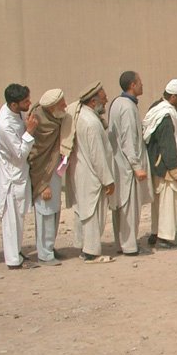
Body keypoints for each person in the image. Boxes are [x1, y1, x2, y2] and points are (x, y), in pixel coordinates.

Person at [67, 81, 116, 263]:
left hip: (83, 172)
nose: (106, 100)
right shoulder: (91, 123)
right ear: (93, 102)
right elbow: (98, 156)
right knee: (93, 213)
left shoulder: (83, 118)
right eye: (103, 99)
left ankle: (84, 247)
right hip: (92, 175)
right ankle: (91, 252)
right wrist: (108, 180)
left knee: (84, 211)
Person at [0, 83, 39, 269]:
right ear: (14, 104)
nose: (29, 103)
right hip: (9, 177)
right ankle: (13, 261)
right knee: (10, 219)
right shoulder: (3, 124)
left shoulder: (16, 114)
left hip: (19, 173)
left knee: (18, 217)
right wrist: (29, 132)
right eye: (25, 101)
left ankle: (17, 253)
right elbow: (19, 153)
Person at [108, 70, 153, 256]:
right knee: (129, 207)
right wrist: (137, 167)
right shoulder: (126, 107)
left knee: (121, 206)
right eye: (140, 82)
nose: (142, 85)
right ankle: (129, 246)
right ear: (132, 85)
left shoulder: (120, 103)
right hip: (127, 167)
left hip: (120, 165)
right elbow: (128, 140)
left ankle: (122, 243)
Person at [144, 79, 177, 249]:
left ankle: (156, 233)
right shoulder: (165, 115)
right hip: (167, 167)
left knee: (159, 204)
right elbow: (167, 143)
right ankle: (165, 238)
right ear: (174, 97)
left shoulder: (157, 108)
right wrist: (175, 168)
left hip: (157, 165)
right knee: (169, 203)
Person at [28, 88, 66, 265]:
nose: (65, 106)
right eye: (61, 104)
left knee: (54, 210)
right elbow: (35, 155)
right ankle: (44, 254)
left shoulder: (56, 118)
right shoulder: (37, 122)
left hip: (54, 171)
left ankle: (49, 247)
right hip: (42, 174)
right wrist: (43, 184)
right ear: (52, 107)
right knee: (45, 213)